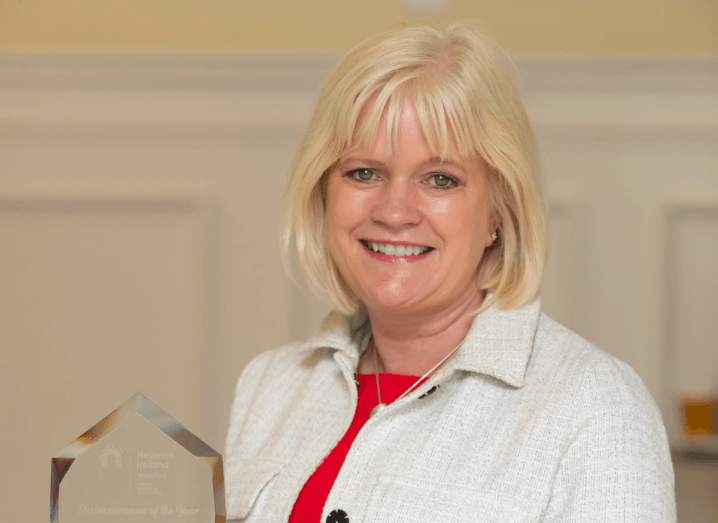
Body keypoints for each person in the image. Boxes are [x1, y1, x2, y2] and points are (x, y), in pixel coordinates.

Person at [224, 22, 675, 523]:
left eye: (441, 179)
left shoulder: (595, 408)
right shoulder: (269, 385)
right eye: (363, 172)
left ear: (497, 213)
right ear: (322, 192)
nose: (395, 212)